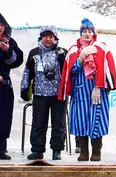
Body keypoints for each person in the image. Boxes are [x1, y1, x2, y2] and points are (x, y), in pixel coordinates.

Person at [59, 18, 116, 162]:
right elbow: (69, 71)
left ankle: (96, 151)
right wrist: (81, 58)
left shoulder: (102, 48)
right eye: (84, 31)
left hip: (98, 90)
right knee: (81, 120)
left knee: (97, 119)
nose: (86, 34)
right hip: (80, 90)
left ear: (94, 33)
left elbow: (108, 68)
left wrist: (101, 86)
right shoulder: (73, 50)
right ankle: (83, 151)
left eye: (89, 31)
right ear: (80, 33)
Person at [20, 26, 67, 161]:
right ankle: (37, 150)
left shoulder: (62, 52)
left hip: (58, 94)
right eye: (45, 36)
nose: (48, 39)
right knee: (38, 123)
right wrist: (24, 89)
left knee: (59, 123)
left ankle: (57, 150)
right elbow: (27, 72)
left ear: (55, 38)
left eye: (51, 36)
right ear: (41, 38)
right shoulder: (34, 52)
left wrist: (69, 90)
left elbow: (68, 72)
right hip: (40, 93)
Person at [0, 13, 24, 160]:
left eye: (1, 25)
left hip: (4, 86)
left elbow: (17, 61)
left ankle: (1, 149)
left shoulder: (10, 42)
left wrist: (7, 51)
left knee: (3, 116)